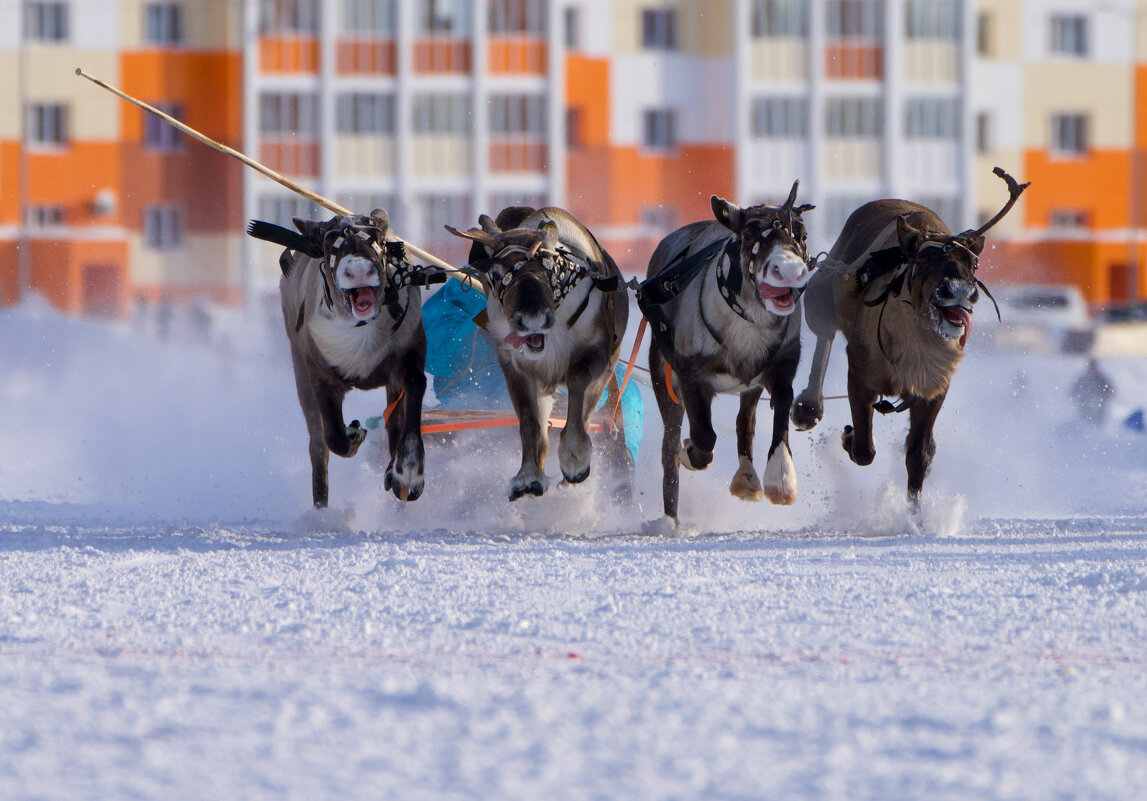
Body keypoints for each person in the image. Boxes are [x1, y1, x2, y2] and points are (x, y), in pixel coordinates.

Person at [1071, 358, 1115, 428]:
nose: (1092, 369)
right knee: (1084, 421)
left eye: (1093, 367)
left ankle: (1098, 431)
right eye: (1090, 367)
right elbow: (1073, 392)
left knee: (1098, 421)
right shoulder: (1082, 379)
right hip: (1085, 405)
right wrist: (1079, 397)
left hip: (1100, 406)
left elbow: (1111, 391)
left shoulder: (1102, 379)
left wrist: (1104, 398)